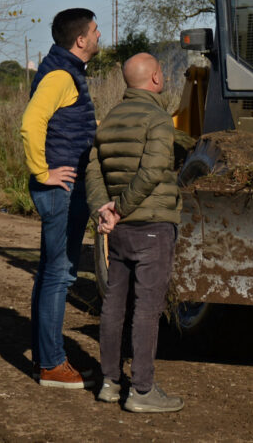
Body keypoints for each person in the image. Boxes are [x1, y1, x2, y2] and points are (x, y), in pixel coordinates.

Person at [86, 53, 184, 413]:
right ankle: (142, 390)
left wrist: (106, 210)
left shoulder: (109, 120)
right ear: (156, 78)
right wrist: (123, 207)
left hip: (119, 229)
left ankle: (110, 382)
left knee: (113, 304)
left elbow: (92, 170)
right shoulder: (158, 119)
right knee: (146, 309)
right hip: (152, 225)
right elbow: (155, 169)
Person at [20, 7, 100, 388]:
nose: (100, 36)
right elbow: (31, 122)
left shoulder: (66, 71)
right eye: (95, 31)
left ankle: (45, 359)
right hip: (60, 188)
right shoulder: (59, 75)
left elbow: (65, 122)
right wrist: (42, 172)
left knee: (51, 273)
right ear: (81, 39)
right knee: (58, 275)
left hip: (61, 187)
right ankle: (52, 365)